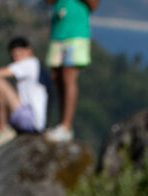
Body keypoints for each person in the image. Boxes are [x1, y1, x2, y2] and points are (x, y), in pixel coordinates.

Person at [43, 1, 90, 141]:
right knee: (58, 79)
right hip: (58, 33)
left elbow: (94, 4)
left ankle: (66, 126)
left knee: (68, 77)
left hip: (76, 33)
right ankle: (60, 124)